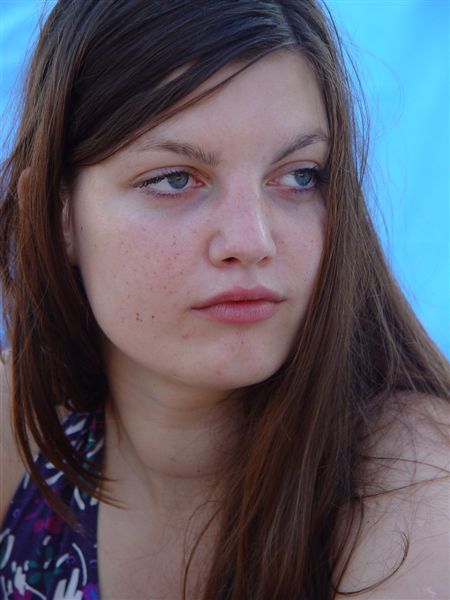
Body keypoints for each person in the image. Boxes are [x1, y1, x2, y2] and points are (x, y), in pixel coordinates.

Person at [0, 1, 449, 598]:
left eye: (299, 175)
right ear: (59, 216)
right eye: (175, 179)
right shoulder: (22, 425)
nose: (251, 241)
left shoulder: (415, 477)